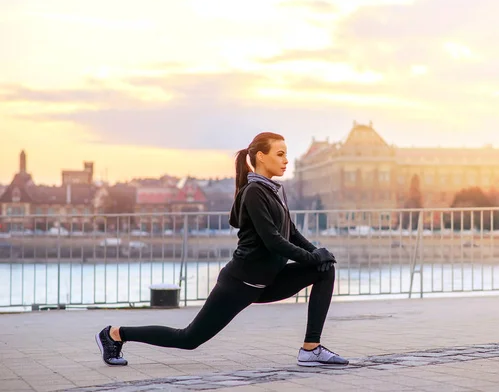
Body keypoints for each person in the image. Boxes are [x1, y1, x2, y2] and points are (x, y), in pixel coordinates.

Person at [95, 132, 349, 367]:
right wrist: (312, 256)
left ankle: (310, 349)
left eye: (286, 154)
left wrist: (318, 254)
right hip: (240, 284)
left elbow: (290, 231)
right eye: (280, 154)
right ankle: (115, 334)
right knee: (188, 339)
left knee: (323, 271)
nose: (286, 160)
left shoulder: (274, 191)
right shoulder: (254, 192)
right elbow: (272, 240)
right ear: (261, 157)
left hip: (268, 281)